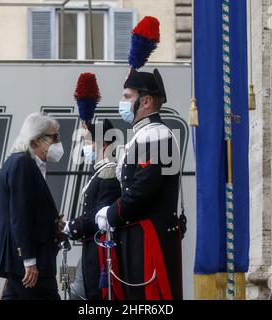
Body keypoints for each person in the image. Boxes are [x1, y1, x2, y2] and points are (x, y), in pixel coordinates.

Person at [95, 69, 184, 300]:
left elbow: (143, 190)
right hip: (136, 236)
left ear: (145, 101)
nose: (122, 103)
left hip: (150, 238)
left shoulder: (158, 135)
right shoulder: (142, 135)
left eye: (127, 97)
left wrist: (112, 213)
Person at [0, 112, 65, 300]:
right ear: (36, 140)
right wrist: (29, 260)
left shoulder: (22, 162)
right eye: (54, 137)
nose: (58, 143)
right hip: (30, 260)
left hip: (26, 260)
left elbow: (31, 210)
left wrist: (54, 223)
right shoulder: (22, 163)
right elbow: (20, 216)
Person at [63, 119, 121, 300]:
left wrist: (69, 226)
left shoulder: (109, 172)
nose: (85, 147)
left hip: (100, 250)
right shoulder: (100, 171)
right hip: (91, 248)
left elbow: (98, 215)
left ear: (102, 144)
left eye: (88, 142)